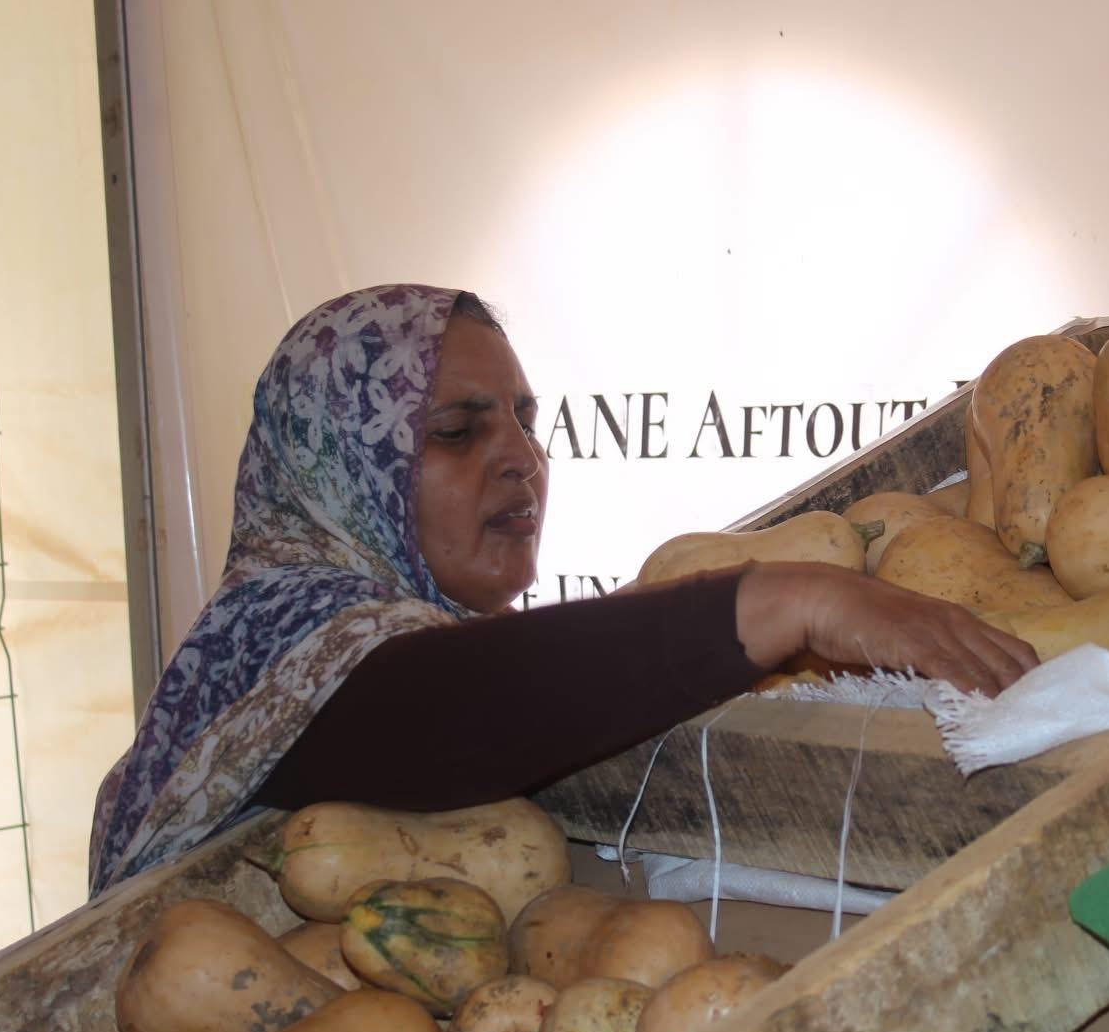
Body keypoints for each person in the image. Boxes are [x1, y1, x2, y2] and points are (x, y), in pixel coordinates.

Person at [89, 284, 1036, 893]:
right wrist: (788, 601)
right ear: (336, 470)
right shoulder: (274, 639)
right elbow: (444, 711)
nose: (522, 459)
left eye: (525, 420)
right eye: (457, 432)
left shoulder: (413, 628)